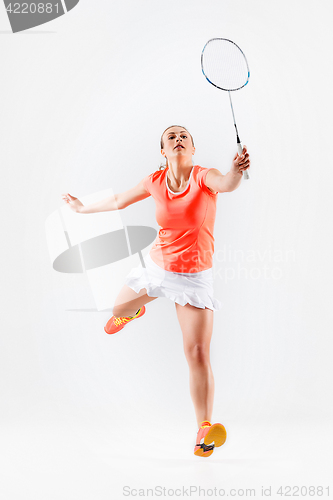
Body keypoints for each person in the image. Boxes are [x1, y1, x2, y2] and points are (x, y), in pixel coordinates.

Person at [61, 125, 251, 457]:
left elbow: (226, 184)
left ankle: (204, 429)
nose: (178, 139)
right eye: (170, 137)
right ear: (163, 151)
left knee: (197, 353)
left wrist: (235, 170)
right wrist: (82, 208)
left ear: (193, 148)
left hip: (194, 277)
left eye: (184, 136)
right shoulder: (155, 180)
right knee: (116, 313)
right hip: (157, 268)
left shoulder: (205, 177)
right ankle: (132, 311)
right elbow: (120, 199)